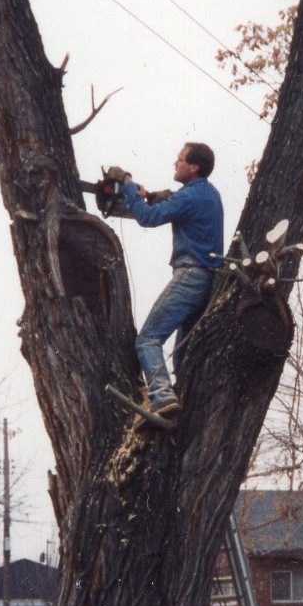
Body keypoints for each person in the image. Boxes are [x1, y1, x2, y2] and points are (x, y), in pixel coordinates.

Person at [119, 141, 223, 416]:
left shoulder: (189, 196)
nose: (174, 163)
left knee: (148, 339)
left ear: (194, 167)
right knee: (182, 355)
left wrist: (129, 186)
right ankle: (181, 404)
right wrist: (149, 194)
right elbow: (177, 206)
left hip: (190, 276)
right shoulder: (209, 194)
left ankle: (162, 397)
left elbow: (148, 218)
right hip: (208, 280)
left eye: (179, 159)